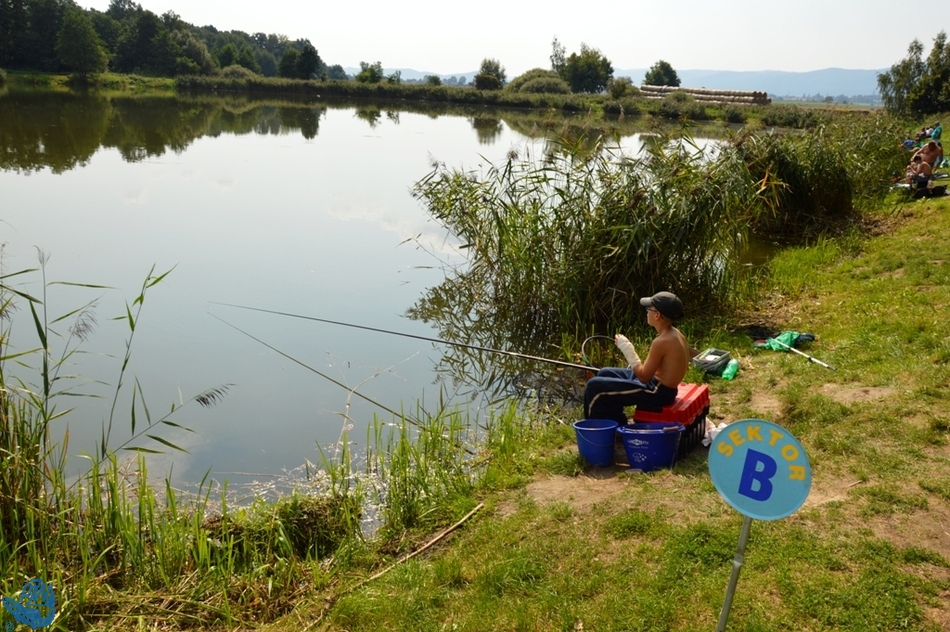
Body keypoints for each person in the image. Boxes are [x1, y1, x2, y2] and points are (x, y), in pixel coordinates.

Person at [583, 291, 691, 425]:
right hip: (662, 387)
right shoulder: (676, 334)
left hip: (657, 392)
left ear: (657, 315)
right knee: (604, 373)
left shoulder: (661, 341)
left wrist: (628, 350)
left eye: (649, 309)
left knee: (594, 386)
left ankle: (595, 429)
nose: (647, 312)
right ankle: (617, 422)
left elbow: (643, 377)